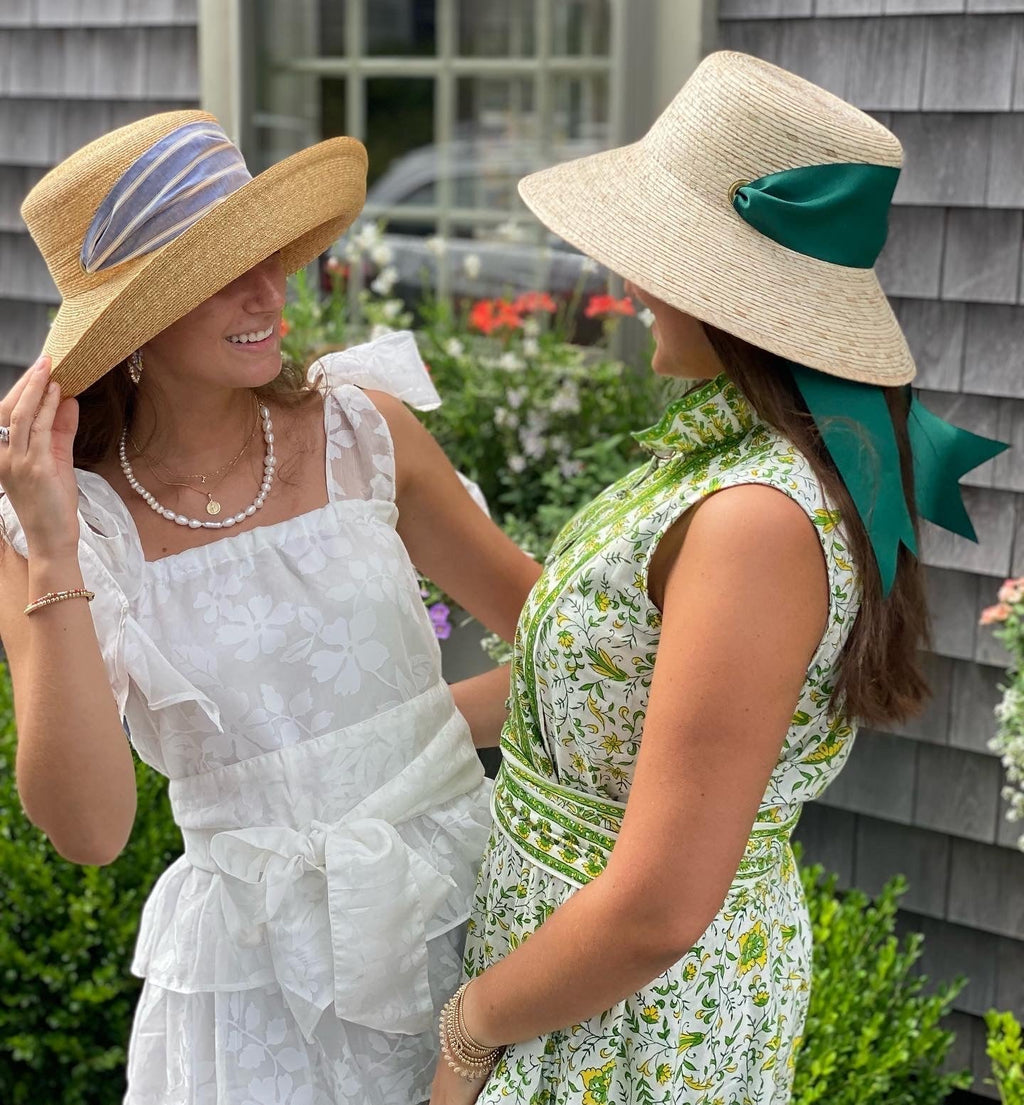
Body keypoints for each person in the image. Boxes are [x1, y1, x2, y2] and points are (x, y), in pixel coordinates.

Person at [427, 50, 1007, 1105]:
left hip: (624, 1012)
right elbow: (610, 689)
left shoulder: (756, 516)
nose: (628, 284)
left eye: (654, 256)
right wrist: (388, 738)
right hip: (568, 971)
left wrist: (468, 1031)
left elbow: (656, 907)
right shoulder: (724, 453)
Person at [0, 111, 539, 1104]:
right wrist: (53, 545)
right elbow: (89, 827)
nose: (268, 293)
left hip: (461, 907)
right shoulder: (68, 525)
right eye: (220, 274)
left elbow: (566, 652)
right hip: (251, 986)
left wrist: (411, 741)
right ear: (133, 324)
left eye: (268, 257)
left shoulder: (362, 429)